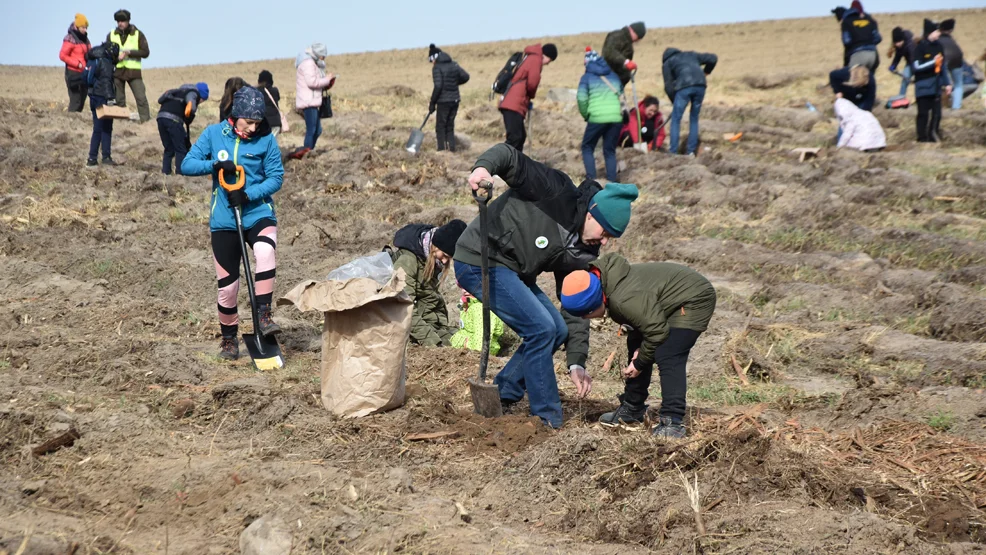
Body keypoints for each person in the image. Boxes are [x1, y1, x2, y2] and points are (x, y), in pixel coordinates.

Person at [453, 143, 639, 428]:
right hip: (480, 259)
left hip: (512, 271)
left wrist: (576, 363)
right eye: (605, 233)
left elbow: (576, 304)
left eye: (610, 238)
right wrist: (483, 168)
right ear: (592, 214)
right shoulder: (555, 191)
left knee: (557, 330)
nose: (604, 242)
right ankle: (546, 418)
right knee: (540, 329)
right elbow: (509, 156)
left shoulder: (582, 252)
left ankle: (504, 392)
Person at [560, 253, 716, 438]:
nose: (585, 319)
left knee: (669, 353)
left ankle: (672, 422)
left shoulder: (622, 300)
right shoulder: (609, 286)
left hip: (693, 297)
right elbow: (645, 325)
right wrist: (640, 352)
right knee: (635, 340)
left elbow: (657, 332)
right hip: (663, 302)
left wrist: (640, 362)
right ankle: (633, 408)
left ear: (594, 305)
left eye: (585, 315)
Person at [181, 87, 284, 359]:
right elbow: (187, 164)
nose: (252, 128)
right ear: (235, 115)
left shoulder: (266, 140)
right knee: (228, 289)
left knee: (265, 252)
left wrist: (249, 193)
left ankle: (264, 315)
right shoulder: (215, 135)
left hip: (258, 212)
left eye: (257, 123)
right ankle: (229, 339)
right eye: (248, 122)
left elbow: (276, 177)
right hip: (224, 219)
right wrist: (215, 164)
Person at [389, 220, 468, 346]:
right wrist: (432, 342)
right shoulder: (408, 262)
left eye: (449, 258)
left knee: (470, 341)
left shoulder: (430, 261)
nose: (444, 260)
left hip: (433, 326)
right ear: (435, 246)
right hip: (417, 332)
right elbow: (403, 309)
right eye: (445, 255)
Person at [498, 43, 557, 152]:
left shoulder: (530, 57)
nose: (548, 64)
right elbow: (532, 83)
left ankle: (515, 165)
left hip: (513, 103)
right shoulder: (536, 60)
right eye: (550, 60)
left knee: (520, 137)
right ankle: (499, 163)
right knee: (515, 138)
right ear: (547, 56)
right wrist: (531, 95)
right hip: (513, 104)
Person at [578, 49, 624, 182]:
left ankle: (591, 180)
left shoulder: (586, 77)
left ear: (587, 63)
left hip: (597, 118)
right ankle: (611, 181)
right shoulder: (614, 76)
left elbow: (581, 99)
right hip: (616, 118)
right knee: (609, 150)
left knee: (587, 147)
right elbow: (621, 95)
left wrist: (586, 114)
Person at [662, 48, 717, 156]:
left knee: (676, 119)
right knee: (694, 118)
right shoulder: (691, 54)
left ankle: (673, 152)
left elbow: (668, 86)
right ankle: (691, 152)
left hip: (684, 87)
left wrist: (674, 100)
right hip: (701, 86)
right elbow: (713, 58)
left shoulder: (667, 63)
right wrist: (706, 72)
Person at [107, 9, 150, 123]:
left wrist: (131, 52)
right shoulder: (111, 35)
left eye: (123, 21)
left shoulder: (138, 34)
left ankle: (146, 123)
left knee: (141, 98)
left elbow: (146, 52)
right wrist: (116, 58)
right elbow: (106, 54)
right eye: (118, 21)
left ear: (128, 21)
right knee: (119, 100)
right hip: (118, 72)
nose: (120, 23)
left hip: (133, 72)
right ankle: (122, 123)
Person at [913, 19, 953, 143]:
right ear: (929, 33)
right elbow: (916, 67)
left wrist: (947, 83)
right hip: (923, 87)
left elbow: (943, 67)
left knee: (937, 114)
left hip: (936, 85)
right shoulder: (920, 47)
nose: (939, 34)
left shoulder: (939, 46)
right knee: (923, 114)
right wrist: (932, 62)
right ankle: (922, 139)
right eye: (936, 31)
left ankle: (933, 136)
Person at [156, 83, 209, 175]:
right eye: (202, 100)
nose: (200, 102)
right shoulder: (193, 93)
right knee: (181, 149)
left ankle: (165, 173)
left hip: (161, 118)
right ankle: (180, 174)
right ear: (200, 94)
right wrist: (189, 116)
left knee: (169, 148)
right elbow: (191, 107)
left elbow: (160, 100)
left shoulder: (177, 91)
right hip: (174, 120)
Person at [293, 43, 336, 159]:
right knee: (313, 129)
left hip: (310, 100)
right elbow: (312, 82)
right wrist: (327, 79)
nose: (323, 58)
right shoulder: (308, 64)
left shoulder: (311, 62)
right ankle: (307, 152)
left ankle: (308, 150)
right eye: (322, 56)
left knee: (317, 129)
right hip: (308, 101)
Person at [85, 41, 120, 168]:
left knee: (98, 128)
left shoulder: (95, 58)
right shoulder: (105, 62)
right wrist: (111, 98)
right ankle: (99, 157)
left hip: (93, 96)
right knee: (104, 128)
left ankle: (94, 157)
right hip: (102, 98)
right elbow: (106, 82)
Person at [428, 44, 470, 152]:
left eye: (431, 60)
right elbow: (466, 76)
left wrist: (432, 102)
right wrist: (453, 83)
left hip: (443, 101)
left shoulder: (437, 67)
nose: (431, 63)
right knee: (450, 126)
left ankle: (441, 151)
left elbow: (438, 86)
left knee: (440, 127)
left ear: (434, 58)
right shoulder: (454, 64)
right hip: (455, 99)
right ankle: (451, 150)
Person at [831, 2, 881, 71]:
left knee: (853, 80)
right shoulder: (870, 19)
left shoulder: (847, 21)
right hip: (873, 55)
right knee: (868, 80)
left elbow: (847, 41)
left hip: (857, 55)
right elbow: (878, 38)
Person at [59, 13, 91, 112]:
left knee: (82, 99)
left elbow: (90, 52)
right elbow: (62, 55)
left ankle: (76, 120)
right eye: (83, 27)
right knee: (75, 100)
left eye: (86, 28)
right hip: (73, 73)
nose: (85, 30)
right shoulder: (69, 38)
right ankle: (70, 120)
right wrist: (77, 64)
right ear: (77, 26)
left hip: (84, 72)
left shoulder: (85, 39)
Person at [602, 22, 646, 87]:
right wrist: (625, 62)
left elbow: (624, 70)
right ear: (633, 31)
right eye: (638, 37)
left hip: (617, 84)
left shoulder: (629, 47)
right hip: (605, 79)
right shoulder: (615, 36)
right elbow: (608, 52)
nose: (637, 40)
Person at [938, 19, 964, 110]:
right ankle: (956, 107)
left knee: (941, 82)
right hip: (957, 58)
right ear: (951, 30)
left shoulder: (938, 39)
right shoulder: (952, 40)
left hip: (945, 59)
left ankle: (939, 105)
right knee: (958, 84)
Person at [888, 27, 917, 98]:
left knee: (919, 82)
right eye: (896, 42)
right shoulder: (899, 46)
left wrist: (916, 73)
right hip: (909, 63)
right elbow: (898, 56)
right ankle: (901, 97)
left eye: (899, 42)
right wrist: (893, 66)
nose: (898, 44)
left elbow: (912, 59)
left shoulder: (910, 44)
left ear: (903, 39)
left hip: (916, 63)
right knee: (904, 81)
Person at [258, 70, 283, 136]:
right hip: (276, 123)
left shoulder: (257, 92)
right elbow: (278, 98)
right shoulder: (275, 90)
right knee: (272, 143)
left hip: (264, 123)